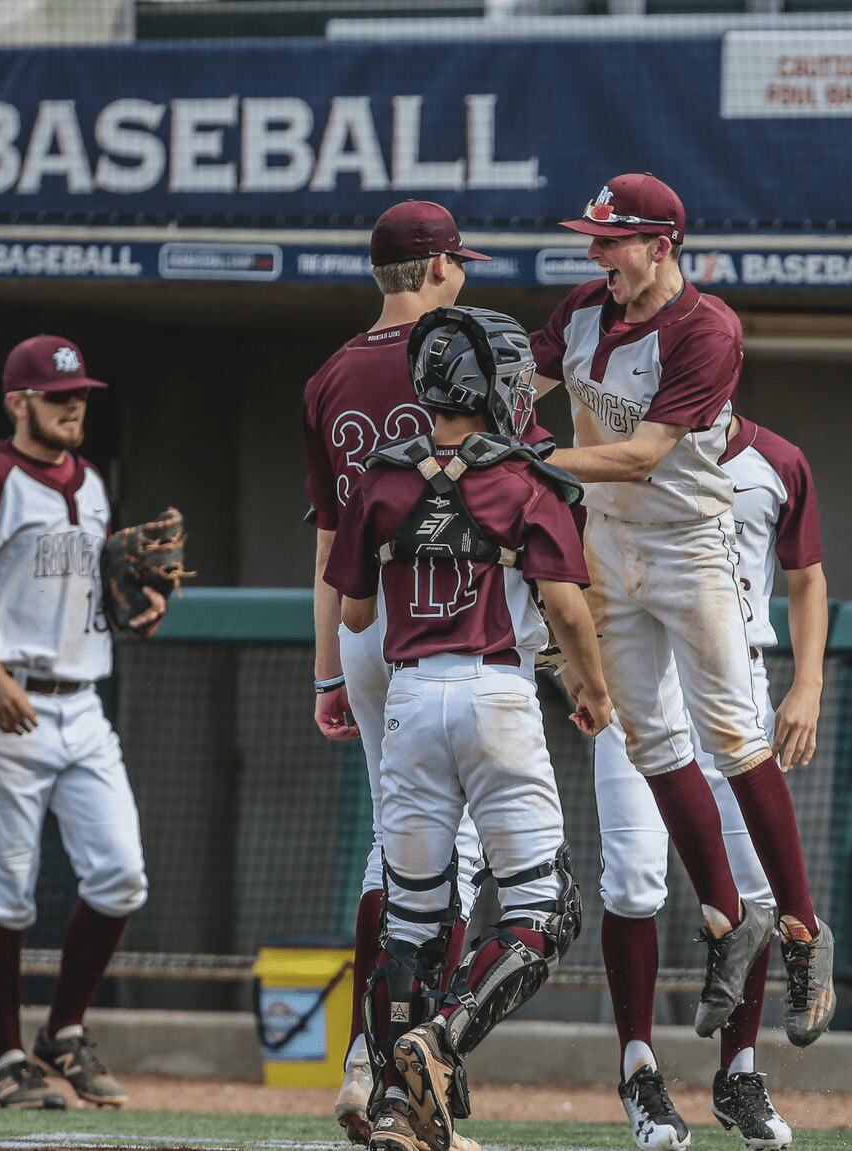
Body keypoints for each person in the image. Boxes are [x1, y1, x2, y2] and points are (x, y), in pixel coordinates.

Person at [529, 172, 832, 1045]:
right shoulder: (585, 308)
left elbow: (643, 455)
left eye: (612, 239)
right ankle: (730, 920)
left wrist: (525, 455)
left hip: (687, 542)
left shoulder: (708, 328)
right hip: (607, 548)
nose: (596, 253)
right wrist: (479, 400)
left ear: (661, 244)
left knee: (736, 737)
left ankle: (807, 932)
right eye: (593, 238)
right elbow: (526, 386)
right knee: (651, 740)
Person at [324, 306, 610, 1151]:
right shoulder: (529, 480)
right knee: (544, 906)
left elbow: (354, 608)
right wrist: (592, 689)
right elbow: (564, 604)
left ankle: (391, 1109)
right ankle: (440, 1040)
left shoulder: (380, 479)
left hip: (409, 698)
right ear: (491, 386)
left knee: (412, 915)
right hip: (496, 694)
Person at [0, 334, 156, 1110]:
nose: (73, 405)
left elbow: (88, 596)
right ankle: (4, 1058)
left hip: (81, 702)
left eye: (81, 394)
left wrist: (136, 610)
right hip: (0, 704)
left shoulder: (89, 482)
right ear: (18, 402)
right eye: (58, 397)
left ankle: (63, 1029)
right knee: (6, 893)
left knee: (120, 873)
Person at [301, 200, 492, 1144]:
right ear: (436, 267)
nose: (465, 275)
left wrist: (329, 669)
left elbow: (331, 539)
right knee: (442, 855)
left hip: (364, 625)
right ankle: (399, 1066)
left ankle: (368, 1061)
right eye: (459, 262)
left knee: (398, 839)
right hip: (446, 617)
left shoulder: (331, 373)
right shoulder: (460, 356)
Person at [594, 410, 826, 1151]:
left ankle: (740, 1073)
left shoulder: (779, 458)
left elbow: (808, 577)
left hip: (736, 682)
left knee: (754, 889)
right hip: (637, 676)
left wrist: (809, 682)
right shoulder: (618, 454)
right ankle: (639, 1068)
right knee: (633, 882)